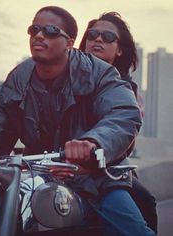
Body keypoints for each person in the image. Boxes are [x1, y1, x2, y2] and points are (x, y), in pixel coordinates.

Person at [0, 6, 155, 236]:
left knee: (133, 228)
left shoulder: (101, 74)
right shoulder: (19, 78)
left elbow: (123, 114)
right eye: (34, 29)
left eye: (51, 31)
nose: (40, 35)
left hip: (95, 178)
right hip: (37, 175)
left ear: (69, 42)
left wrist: (92, 142)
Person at [79, 11, 157, 233]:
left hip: (105, 172)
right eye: (92, 35)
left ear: (120, 49)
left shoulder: (126, 91)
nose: (98, 39)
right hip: (54, 166)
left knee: (143, 202)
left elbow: (124, 132)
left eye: (108, 37)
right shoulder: (63, 75)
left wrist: (93, 145)